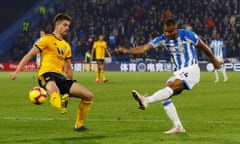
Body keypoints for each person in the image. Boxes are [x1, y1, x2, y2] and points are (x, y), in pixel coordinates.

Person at [117, 18, 222, 134]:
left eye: (170, 32)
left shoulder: (187, 35)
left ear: (176, 28)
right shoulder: (162, 39)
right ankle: (178, 127)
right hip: (178, 72)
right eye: (165, 31)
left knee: (171, 88)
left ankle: (146, 100)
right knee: (165, 94)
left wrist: (214, 60)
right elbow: (144, 48)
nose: (167, 34)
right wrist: (127, 52)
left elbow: (203, 46)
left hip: (191, 70)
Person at [9, 13, 93, 132]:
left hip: (60, 77)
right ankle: (60, 102)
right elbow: (30, 54)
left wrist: (69, 83)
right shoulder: (46, 39)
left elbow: (68, 68)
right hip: (45, 74)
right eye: (65, 25)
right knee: (55, 90)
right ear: (57, 26)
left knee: (88, 96)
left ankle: (78, 125)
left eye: (68, 25)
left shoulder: (66, 46)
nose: (67, 28)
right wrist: (17, 71)